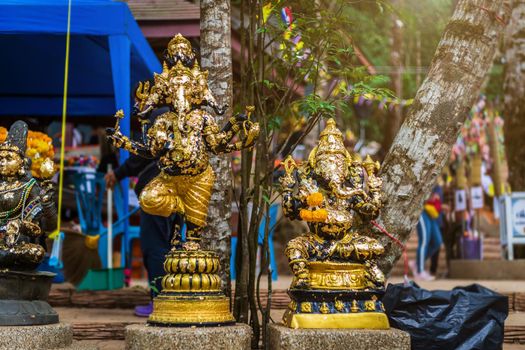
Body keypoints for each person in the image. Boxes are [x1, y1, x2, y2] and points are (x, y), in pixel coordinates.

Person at [105, 153, 180, 317]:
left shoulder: (160, 128)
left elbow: (146, 151)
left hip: (158, 192)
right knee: (171, 245)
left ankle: (160, 301)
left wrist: (119, 173)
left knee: (154, 246)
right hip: (178, 188)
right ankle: (170, 298)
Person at [410, 187, 444, 281]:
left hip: (432, 211)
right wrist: (429, 196)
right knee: (424, 240)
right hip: (421, 209)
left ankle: (416, 264)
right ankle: (419, 271)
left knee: (437, 241)